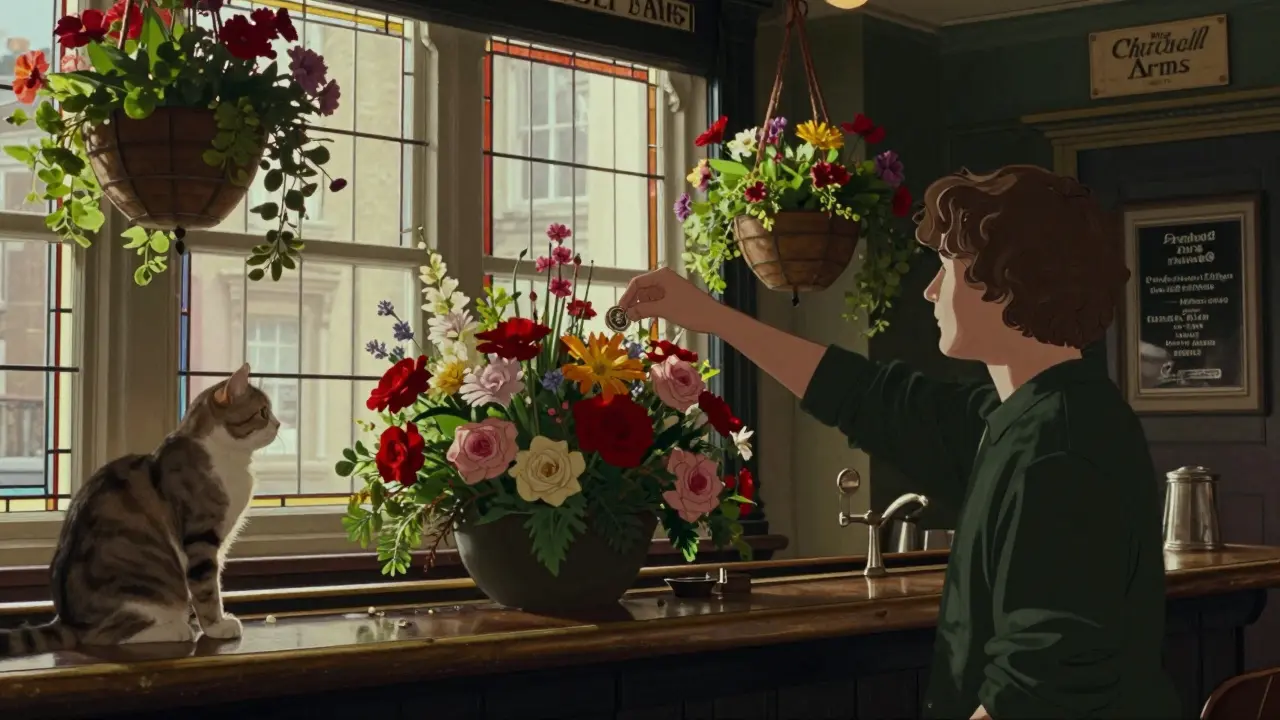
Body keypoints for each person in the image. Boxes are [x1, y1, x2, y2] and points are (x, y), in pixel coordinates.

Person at [619, 165, 1184, 719]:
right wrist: (714, 318)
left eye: (948, 267)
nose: (931, 289)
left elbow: (1041, 686)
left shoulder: (1062, 445)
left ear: (1012, 282)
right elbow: (867, 397)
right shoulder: (1019, 414)